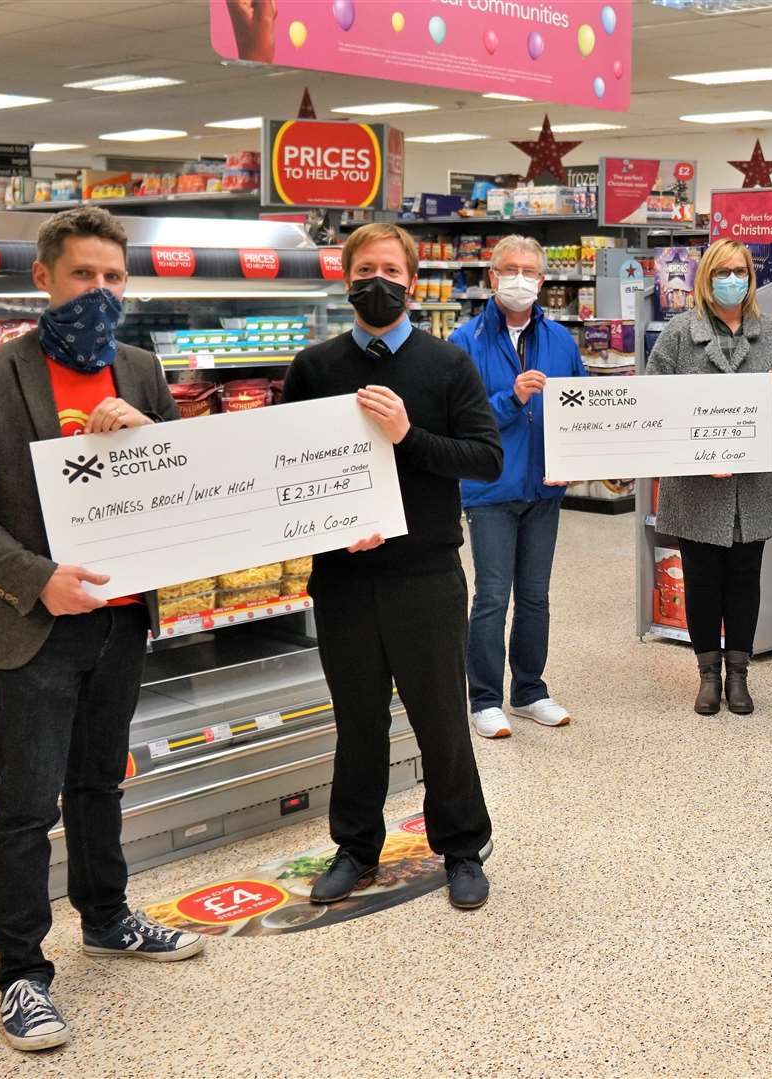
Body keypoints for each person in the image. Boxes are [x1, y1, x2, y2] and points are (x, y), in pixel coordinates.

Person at [0, 207, 205, 1052]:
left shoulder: (141, 368)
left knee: (99, 784)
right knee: (25, 804)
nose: (101, 292)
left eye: (114, 277)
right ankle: (20, 973)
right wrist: (36, 577)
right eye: (84, 275)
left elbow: (183, 477)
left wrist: (153, 434)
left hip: (123, 621)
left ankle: (107, 915)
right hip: (37, 623)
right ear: (43, 278)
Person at [282, 223, 503, 910]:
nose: (378, 279)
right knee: (357, 721)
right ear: (345, 277)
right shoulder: (314, 366)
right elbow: (284, 466)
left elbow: (484, 457)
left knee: (440, 717)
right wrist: (326, 529)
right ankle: (355, 847)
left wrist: (410, 435)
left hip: (426, 573)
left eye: (391, 268)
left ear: (412, 280)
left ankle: (462, 845)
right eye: (365, 267)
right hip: (344, 578)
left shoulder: (446, 365)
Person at [643, 239, 772, 715]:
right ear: (705, 278)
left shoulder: (770, 333)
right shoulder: (677, 334)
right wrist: (695, 451)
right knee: (702, 580)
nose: (731, 280)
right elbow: (654, 401)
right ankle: (707, 674)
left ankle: (739, 675)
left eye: (740, 271)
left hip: (751, 486)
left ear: (751, 279)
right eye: (721, 271)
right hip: (694, 484)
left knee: (745, 580)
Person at [451, 235, 587, 739]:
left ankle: (529, 689)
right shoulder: (465, 343)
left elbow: (587, 410)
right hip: (490, 490)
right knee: (492, 596)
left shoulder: (562, 342)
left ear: (543, 281)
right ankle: (484, 698)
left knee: (535, 596)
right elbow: (456, 423)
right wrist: (511, 398)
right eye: (510, 268)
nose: (520, 278)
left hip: (544, 489)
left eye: (530, 270)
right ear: (491, 276)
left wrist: (583, 457)